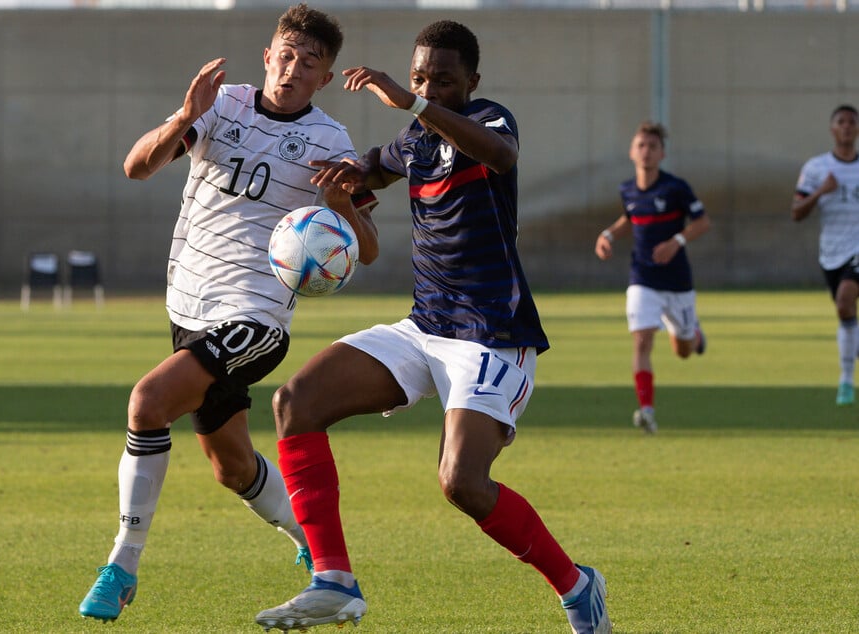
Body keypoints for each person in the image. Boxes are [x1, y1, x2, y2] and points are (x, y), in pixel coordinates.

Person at [255, 20, 611, 634]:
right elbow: (363, 171)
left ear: (471, 82)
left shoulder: (491, 122)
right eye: (420, 77)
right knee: (295, 402)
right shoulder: (411, 143)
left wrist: (412, 101)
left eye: (442, 80)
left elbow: (499, 155)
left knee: (463, 483)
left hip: (493, 334)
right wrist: (334, 184)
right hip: (426, 326)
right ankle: (334, 581)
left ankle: (578, 586)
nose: (428, 88)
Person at [78, 3, 379, 622]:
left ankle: (122, 565)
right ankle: (311, 546)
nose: (293, 70)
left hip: (257, 317)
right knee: (231, 464)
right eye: (286, 56)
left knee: (147, 403)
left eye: (310, 64)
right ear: (268, 56)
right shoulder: (221, 105)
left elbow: (368, 249)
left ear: (325, 79)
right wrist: (186, 116)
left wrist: (338, 204)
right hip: (189, 305)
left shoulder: (333, 142)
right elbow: (136, 167)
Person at [594, 121, 710, 434]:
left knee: (683, 351)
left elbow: (702, 222)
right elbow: (628, 218)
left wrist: (677, 241)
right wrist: (608, 234)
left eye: (652, 146)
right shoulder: (628, 189)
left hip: (677, 282)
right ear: (632, 152)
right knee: (642, 342)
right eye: (641, 145)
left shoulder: (676, 188)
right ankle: (646, 410)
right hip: (642, 278)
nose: (646, 151)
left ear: (663, 153)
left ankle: (694, 335)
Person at [792, 104, 859, 406]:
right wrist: (821, 191)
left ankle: (845, 382)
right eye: (841, 122)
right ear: (832, 129)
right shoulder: (816, 168)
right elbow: (796, 212)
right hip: (832, 253)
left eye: (852, 122)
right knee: (845, 313)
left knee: (846, 300)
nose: (846, 127)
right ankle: (848, 368)